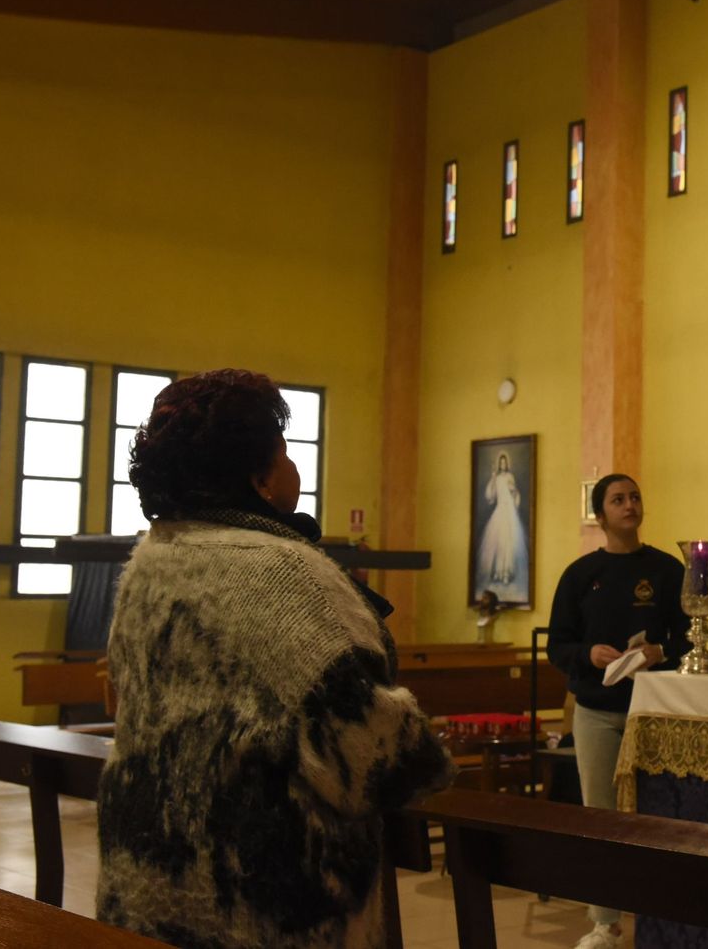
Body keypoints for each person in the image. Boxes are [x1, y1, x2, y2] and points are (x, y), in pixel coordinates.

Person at [96, 369, 453, 949]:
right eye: (284, 453)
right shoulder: (281, 572)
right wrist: (425, 759)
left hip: (148, 876)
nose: (293, 468)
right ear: (260, 478)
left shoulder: (152, 560)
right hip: (263, 901)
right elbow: (371, 752)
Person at [546, 474, 690, 949]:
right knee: (601, 817)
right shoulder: (580, 574)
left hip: (654, 713)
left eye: (635, 497)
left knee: (658, 815)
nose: (630, 505)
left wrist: (658, 651)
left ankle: (662, 914)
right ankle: (605, 923)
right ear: (601, 514)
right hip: (597, 712)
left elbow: (689, 636)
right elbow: (558, 645)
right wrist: (587, 656)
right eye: (618, 499)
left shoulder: (668, 570)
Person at [475, 450, 530, 598]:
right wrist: (493, 477)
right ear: (499, 464)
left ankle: (506, 572)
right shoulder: (497, 478)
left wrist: (513, 491)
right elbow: (490, 496)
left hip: (509, 512)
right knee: (498, 542)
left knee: (508, 542)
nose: (503, 464)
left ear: (507, 464)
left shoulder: (510, 477)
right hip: (500, 511)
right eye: (501, 462)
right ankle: (498, 572)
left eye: (505, 462)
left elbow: (515, 494)